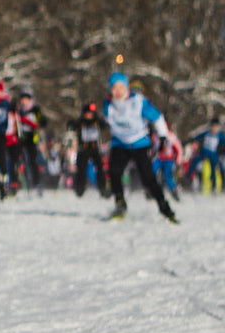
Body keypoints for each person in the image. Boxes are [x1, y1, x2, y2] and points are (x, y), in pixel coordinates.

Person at [102, 71, 177, 222]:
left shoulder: (138, 102)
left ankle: (165, 208)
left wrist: (162, 136)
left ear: (127, 88)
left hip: (139, 143)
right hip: (119, 143)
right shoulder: (107, 105)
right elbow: (106, 120)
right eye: (114, 88)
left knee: (148, 178)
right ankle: (120, 203)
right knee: (114, 172)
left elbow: (157, 117)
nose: (118, 91)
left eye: (121, 87)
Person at [67, 101, 110, 198]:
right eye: (87, 114)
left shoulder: (96, 121)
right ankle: (79, 188)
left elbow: (104, 125)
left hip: (95, 148)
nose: (89, 116)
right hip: (83, 149)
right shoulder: (81, 122)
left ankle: (103, 188)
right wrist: (71, 124)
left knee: (100, 168)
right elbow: (73, 126)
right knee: (81, 170)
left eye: (91, 114)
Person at [15, 86, 47, 191]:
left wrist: (40, 123)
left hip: (32, 139)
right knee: (19, 160)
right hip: (21, 138)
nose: (24, 101)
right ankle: (18, 183)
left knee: (33, 161)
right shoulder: (19, 111)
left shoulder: (35, 110)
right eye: (22, 99)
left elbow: (42, 121)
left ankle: (36, 183)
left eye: (26, 99)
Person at [186, 117, 223, 193]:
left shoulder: (219, 135)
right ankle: (188, 179)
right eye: (213, 126)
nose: (215, 129)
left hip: (213, 153)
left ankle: (214, 185)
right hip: (204, 151)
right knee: (194, 162)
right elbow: (197, 137)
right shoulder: (207, 133)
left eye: (216, 127)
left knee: (214, 168)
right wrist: (192, 140)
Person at [152, 126, 183, 202]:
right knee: (152, 172)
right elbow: (152, 147)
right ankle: (151, 190)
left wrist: (178, 161)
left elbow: (179, 149)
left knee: (168, 176)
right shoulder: (155, 136)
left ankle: (174, 191)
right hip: (158, 158)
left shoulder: (171, 136)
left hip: (169, 159)